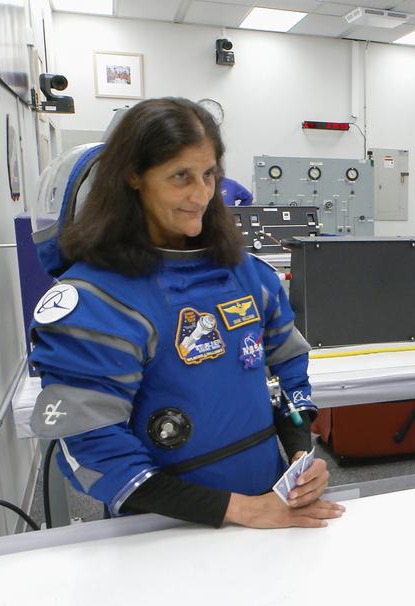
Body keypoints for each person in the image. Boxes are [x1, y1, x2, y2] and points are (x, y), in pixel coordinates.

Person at [28, 97, 344, 529]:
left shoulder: (249, 276)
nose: (201, 195)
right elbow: (93, 447)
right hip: (159, 526)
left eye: (209, 174)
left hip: (268, 509)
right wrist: (239, 510)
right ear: (133, 177)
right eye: (181, 176)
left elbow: (287, 374)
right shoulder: (96, 300)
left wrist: (299, 456)